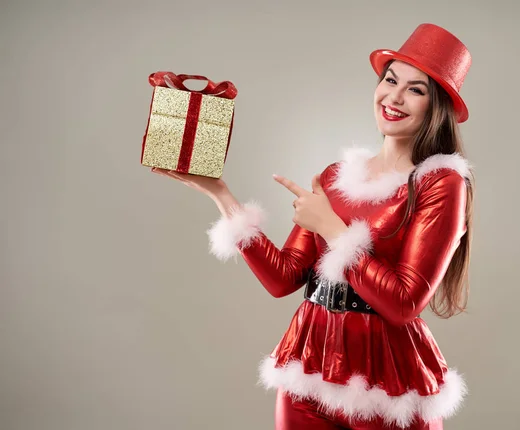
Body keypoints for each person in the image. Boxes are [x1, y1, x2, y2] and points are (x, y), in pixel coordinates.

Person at [152, 23, 474, 430]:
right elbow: (283, 278)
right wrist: (220, 193)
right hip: (307, 371)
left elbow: (403, 303)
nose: (394, 96)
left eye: (415, 89)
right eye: (390, 80)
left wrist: (333, 230)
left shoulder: (441, 182)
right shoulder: (336, 176)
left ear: (437, 106)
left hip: (388, 385)